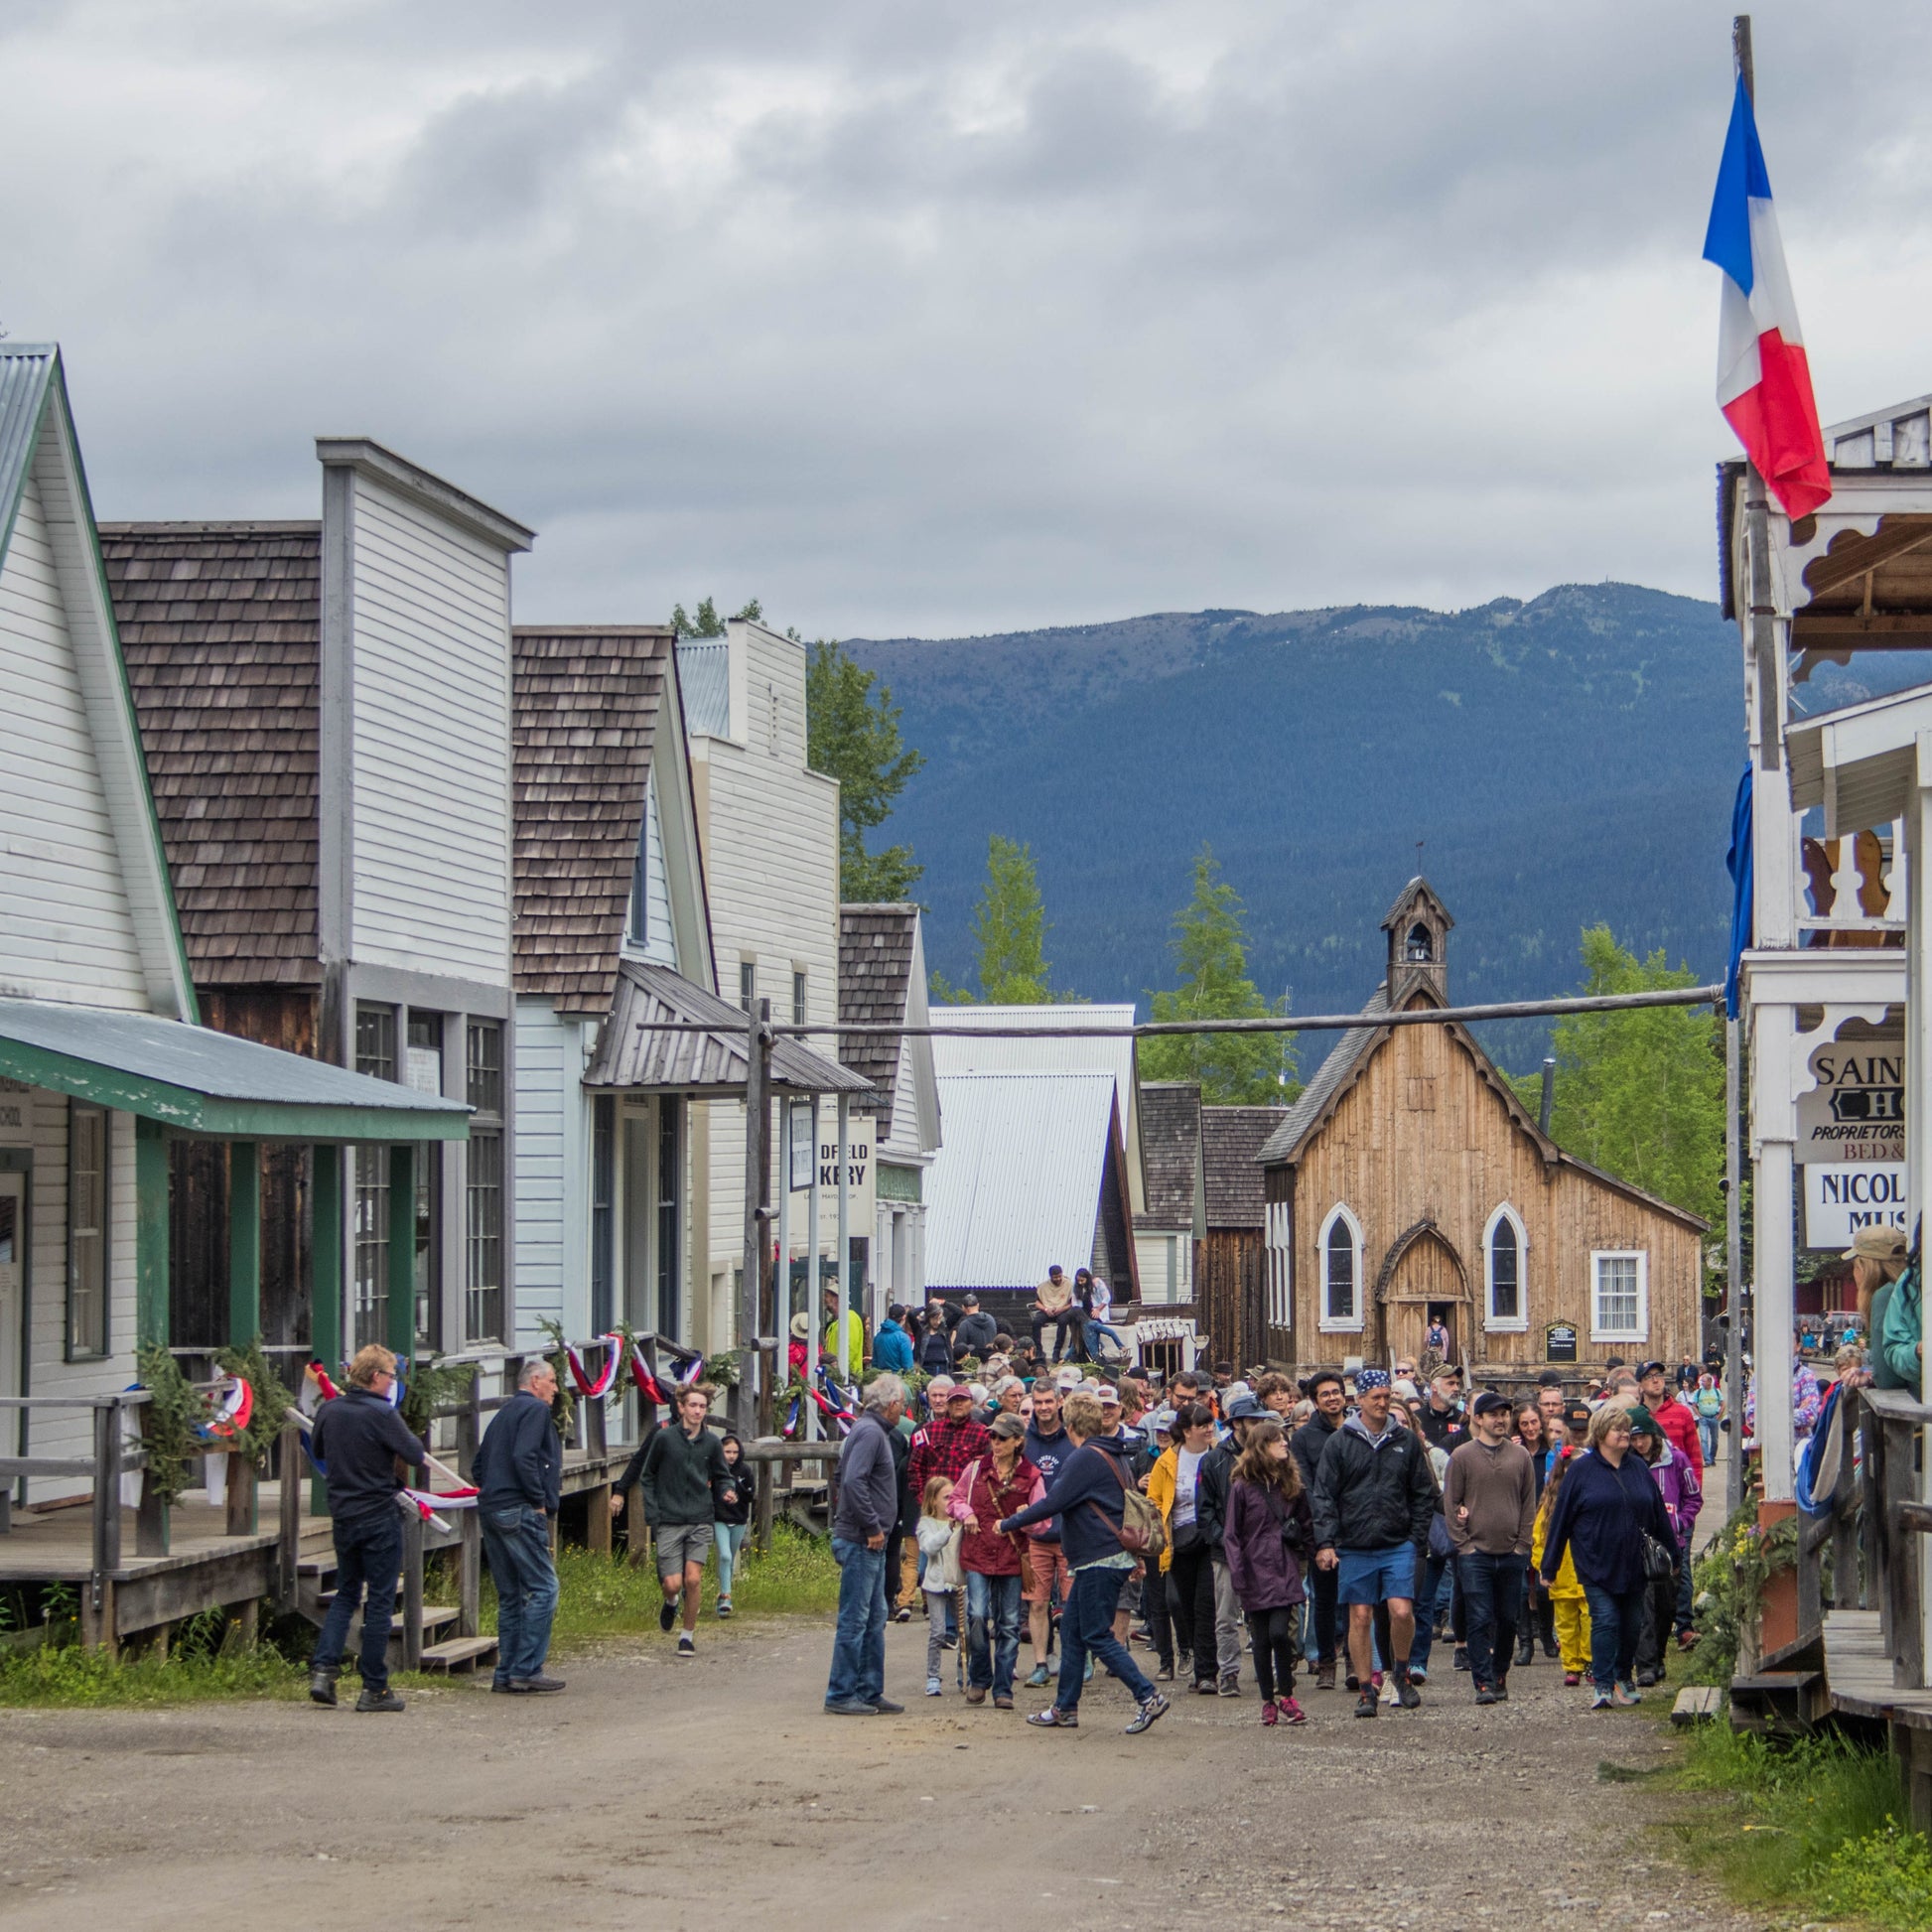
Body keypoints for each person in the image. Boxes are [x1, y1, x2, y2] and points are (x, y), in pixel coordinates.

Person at [997, 1391, 1170, 1734]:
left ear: (1070, 1423)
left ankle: (1148, 1695)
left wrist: (1007, 1523)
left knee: (1094, 1634)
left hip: (1097, 1558)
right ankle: (1065, 1708)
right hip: (1106, 1555)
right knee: (1074, 1632)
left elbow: (1053, 1502)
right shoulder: (1110, 1453)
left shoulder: (1084, 1458)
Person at [308, 1343, 430, 1713]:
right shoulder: (382, 1413)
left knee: (346, 1594)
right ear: (376, 1376)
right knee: (379, 1599)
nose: (393, 1382)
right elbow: (413, 1452)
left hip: (343, 1514)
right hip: (378, 1513)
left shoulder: (329, 1410)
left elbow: (318, 1448)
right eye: (391, 1375)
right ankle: (374, 1687)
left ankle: (324, 1671)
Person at [1311, 1367, 1437, 1718]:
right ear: (1360, 1400)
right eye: (1376, 1398)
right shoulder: (1340, 1442)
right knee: (1361, 1616)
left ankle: (1401, 1670)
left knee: (1401, 1610)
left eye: (1386, 1396)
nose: (1382, 1403)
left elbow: (1422, 1493)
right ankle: (1366, 1688)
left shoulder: (1405, 1441)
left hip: (1398, 1542)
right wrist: (1327, 1542)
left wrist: (1416, 1538)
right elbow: (1323, 1496)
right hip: (1354, 1543)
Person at [1537, 1404, 1677, 1710]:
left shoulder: (1638, 1468)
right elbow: (1560, 1520)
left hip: (1634, 1563)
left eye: (1627, 1428)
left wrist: (1673, 1555)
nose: (1625, 1434)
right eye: (1618, 1429)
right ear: (1600, 1433)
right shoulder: (1581, 1472)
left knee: (1632, 1623)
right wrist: (1550, 1565)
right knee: (1606, 1620)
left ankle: (1623, 1676)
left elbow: (1657, 1514)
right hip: (1595, 1563)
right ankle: (1602, 1683)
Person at [614, 1384, 739, 1660]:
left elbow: (721, 1475)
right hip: (669, 1519)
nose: (697, 1411)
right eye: (693, 1405)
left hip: (700, 1518)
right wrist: (653, 1512)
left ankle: (687, 1636)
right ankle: (671, 1602)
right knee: (672, 1583)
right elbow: (646, 1474)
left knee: (692, 1579)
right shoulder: (664, 1438)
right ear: (681, 1407)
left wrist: (726, 1490)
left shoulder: (711, 1443)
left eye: (702, 1407)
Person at [473, 1356, 564, 1695]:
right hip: (519, 1508)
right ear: (536, 1380)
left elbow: (478, 1464)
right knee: (544, 1588)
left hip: (492, 1507)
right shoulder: (536, 1411)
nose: (555, 1389)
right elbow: (524, 1456)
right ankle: (527, 1668)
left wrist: (492, 1489)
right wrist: (538, 1499)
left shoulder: (503, 1414)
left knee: (511, 1595)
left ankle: (505, 1672)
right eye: (552, 1381)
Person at [1444, 1391, 1536, 1706]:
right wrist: (1463, 1545)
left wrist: (1523, 1543)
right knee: (1479, 1618)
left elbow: (1528, 1503)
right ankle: (1482, 1681)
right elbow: (1451, 1502)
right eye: (1493, 1414)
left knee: (1508, 1619)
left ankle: (1500, 1673)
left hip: (1512, 1552)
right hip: (1475, 1555)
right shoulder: (1463, 1457)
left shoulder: (1520, 1457)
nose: (1500, 1419)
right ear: (1478, 1419)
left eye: (1504, 1414)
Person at [825, 1373, 909, 1715]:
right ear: (891, 1405)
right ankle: (841, 1693)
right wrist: (873, 1525)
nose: (904, 1410)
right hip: (862, 1541)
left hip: (872, 1542)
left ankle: (869, 1689)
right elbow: (853, 1482)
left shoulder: (874, 1431)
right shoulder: (870, 1433)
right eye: (902, 1404)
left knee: (875, 1617)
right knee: (855, 1619)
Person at [1223, 1418, 1315, 1725]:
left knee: (1279, 1632)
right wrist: (1237, 1572)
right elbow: (1232, 1533)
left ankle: (1287, 1694)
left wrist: (1318, 1550)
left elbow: (1306, 1523)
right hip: (1253, 1569)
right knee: (1261, 1639)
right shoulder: (1241, 1487)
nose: (1285, 1445)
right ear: (1262, 1447)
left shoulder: (1292, 1484)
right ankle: (1268, 1700)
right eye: (1278, 1441)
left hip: (1284, 1565)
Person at [948, 1413, 1041, 1709]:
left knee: (1010, 1623)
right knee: (976, 1615)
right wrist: (968, 1514)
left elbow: (1044, 1522)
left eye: (1002, 1437)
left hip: (1012, 1557)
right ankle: (979, 1678)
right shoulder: (976, 1468)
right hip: (977, 1553)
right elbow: (954, 1499)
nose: (995, 1442)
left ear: (1018, 1441)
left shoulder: (1032, 1475)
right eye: (992, 1436)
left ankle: (1003, 1688)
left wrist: (1025, 1520)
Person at [1149, 1401, 1220, 1694]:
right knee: (1182, 1603)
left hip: (1209, 1539)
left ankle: (1207, 1673)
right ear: (1187, 1430)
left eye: (1210, 1424)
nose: (1209, 1429)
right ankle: (1189, 1649)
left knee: (1205, 1605)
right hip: (1176, 1541)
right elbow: (1153, 1500)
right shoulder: (1166, 1461)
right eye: (1203, 1425)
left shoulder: (1218, 1457)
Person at [1201, 1393, 1265, 1696]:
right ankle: (1228, 1672)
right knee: (1226, 1616)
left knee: (1264, 1615)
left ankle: (1271, 1670)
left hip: (1263, 1549)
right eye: (1253, 1421)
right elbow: (1205, 1511)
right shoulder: (1214, 1459)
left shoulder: (1269, 1456)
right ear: (1237, 1423)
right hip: (1225, 1551)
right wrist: (1224, 1540)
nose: (1257, 1426)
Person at [1630, 1407, 1702, 1675]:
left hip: (1670, 1544)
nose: (1639, 1444)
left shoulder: (1676, 1460)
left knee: (1665, 1605)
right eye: (1634, 1439)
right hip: (1637, 1544)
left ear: (1653, 1435)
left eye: (1643, 1438)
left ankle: (1658, 1656)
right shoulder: (1629, 1464)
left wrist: (1680, 1523)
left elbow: (1693, 1497)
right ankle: (1645, 1666)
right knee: (1644, 1605)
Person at [1291, 1368, 1347, 1690]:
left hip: (1356, 1529)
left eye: (1335, 1392)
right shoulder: (1304, 1438)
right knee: (1324, 1601)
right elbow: (1305, 1487)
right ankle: (1326, 1662)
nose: (1332, 1398)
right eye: (1324, 1394)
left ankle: (1355, 1659)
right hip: (1320, 1531)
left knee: (1356, 1600)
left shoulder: (1356, 1430)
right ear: (1315, 1401)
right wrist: (1322, 1529)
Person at [1016, 1380, 1074, 1688]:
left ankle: (1078, 1658)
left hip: (1070, 1535)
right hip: (1036, 1536)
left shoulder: (1073, 1437)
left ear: (1060, 1401)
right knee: (1036, 1604)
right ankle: (1040, 1663)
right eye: (1038, 1403)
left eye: (1048, 1402)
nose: (1043, 1408)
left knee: (1073, 1604)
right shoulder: (1025, 1441)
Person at [1532, 1449, 1591, 1685]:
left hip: (1588, 1572)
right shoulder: (1549, 1505)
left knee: (1590, 1618)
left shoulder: (1592, 1499)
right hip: (1561, 1573)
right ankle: (1571, 1665)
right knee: (1565, 1623)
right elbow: (1538, 1540)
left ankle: (1590, 1661)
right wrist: (1543, 1566)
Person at [917, 1476, 965, 1695]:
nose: (950, 1501)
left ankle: (965, 1673)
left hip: (958, 1582)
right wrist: (948, 1529)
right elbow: (929, 1547)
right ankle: (933, 1676)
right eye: (946, 1497)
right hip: (936, 1583)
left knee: (965, 1632)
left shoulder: (961, 1521)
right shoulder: (926, 1523)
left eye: (953, 1496)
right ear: (933, 1500)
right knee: (938, 1632)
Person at [1637, 1361, 1704, 1482]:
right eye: (1648, 1377)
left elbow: (1694, 1457)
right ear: (1640, 1385)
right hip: (1644, 1488)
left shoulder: (1683, 1413)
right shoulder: (1635, 1416)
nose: (1655, 1380)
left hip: (1677, 1488)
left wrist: (1695, 1494)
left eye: (1659, 1375)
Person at [713, 1432, 755, 1618]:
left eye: (735, 1452)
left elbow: (751, 1496)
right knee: (725, 1555)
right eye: (727, 1451)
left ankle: (722, 1596)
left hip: (739, 1519)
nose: (731, 1456)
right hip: (719, 1518)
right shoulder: (715, 1470)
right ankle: (726, 1595)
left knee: (728, 1559)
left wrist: (738, 1489)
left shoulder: (745, 1471)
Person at [1414, 1365, 1467, 1455]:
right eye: (1450, 1383)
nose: (1456, 1389)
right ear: (1434, 1387)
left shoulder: (1463, 1419)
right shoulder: (1416, 1418)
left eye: (1457, 1384)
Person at [1076, 1268, 1126, 1362]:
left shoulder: (1097, 1282)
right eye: (1078, 1281)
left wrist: (1098, 1309)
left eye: (1082, 1280)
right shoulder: (1082, 1288)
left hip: (1098, 1311)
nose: (1080, 1283)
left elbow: (1107, 1297)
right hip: (1090, 1313)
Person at [1032, 1265, 1078, 1363]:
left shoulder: (1069, 1284)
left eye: (1059, 1276)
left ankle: (1057, 1351)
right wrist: (1045, 1309)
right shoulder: (1043, 1286)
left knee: (1063, 1321)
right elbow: (1037, 1303)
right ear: (1051, 1276)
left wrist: (1061, 1309)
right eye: (1055, 1277)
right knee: (1036, 1321)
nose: (1058, 1279)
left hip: (1063, 1309)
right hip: (1047, 1309)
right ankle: (1039, 1350)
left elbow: (1072, 1303)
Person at [823, 1287, 866, 1382]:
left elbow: (850, 1349)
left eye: (827, 1296)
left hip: (847, 1377)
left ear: (836, 1299)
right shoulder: (836, 1321)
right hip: (839, 1375)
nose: (824, 1300)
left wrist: (839, 1370)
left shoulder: (849, 1318)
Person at [1691, 1372, 1725, 1469]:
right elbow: (1693, 1404)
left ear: (1709, 1381)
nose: (1702, 1383)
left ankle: (1712, 1457)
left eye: (1704, 1381)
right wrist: (1699, 1415)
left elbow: (1722, 1403)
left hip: (1714, 1417)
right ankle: (1707, 1460)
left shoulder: (1716, 1391)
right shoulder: (1699, 1392)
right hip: (1703, 1418)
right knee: (1704, 1439)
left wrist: (1719, 1415)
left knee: (1714, 1440)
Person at [953, 1294, 999, 1362]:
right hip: (991, 1361)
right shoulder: (991, 1319)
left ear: (963, 1307)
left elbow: (959, 1351)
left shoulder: (964, 1325)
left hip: (972, 1364)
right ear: (978, 1305)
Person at [872, 1304, 915, 1373]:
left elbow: (874, 1364)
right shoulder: (903, 1338)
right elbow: (908, 1367)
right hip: (898, 1380)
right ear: (904, 1318)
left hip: (881, 1379)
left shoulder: (878, 1337)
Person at [917, 1307, 955, 1376]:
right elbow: (911, 1315)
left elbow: (958, 1313)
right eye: (935, 1319)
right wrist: (924, 1307)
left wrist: (944, 1303)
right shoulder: (921, 1331)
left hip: (942, 1368)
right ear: (929, 1318)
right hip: (926, 1369)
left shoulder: (944, 1330)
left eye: (940, 1318)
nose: (938, 1322)